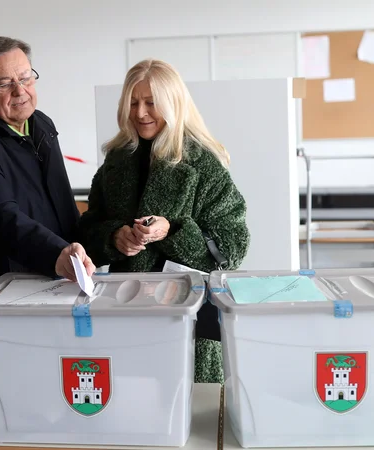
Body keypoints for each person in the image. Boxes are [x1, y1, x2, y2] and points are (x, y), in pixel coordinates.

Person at [78, 59, 250, 384]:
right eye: (133, 102)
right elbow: (88, 228)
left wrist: (172, 231)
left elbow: (232, 246)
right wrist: (114, 237)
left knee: (191, 418)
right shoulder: (116, 163)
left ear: (172, 104)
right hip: (127, 313)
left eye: (151, 102)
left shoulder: (203, 165)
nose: (141, 112)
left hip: (190, 320)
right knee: (132, 403)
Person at [0, 36, 95, 283]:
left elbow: (63, 202)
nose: (20, 91)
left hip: (63, 270)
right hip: (10, 281)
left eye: (25, 78)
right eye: (5, 84)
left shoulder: (41, 124)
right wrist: (55, 253)